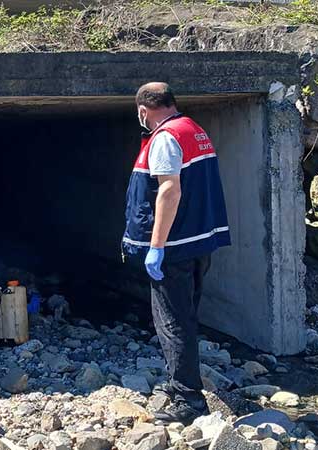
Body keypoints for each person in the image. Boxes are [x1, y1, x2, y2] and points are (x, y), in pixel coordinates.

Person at [122, 82, 231, 423]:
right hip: (198, 242)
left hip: (174, 248)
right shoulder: (194, 130)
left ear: (143, 111)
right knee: (185, 316)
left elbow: (169, 190)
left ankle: (188, 400)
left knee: (173, 323)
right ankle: (178, 384)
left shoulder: (165, 138)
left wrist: (156, 247)